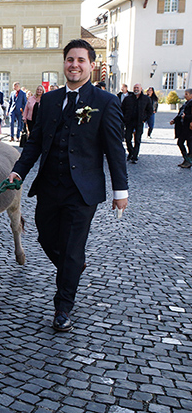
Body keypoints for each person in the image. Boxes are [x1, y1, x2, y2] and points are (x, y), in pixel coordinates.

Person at [8, 39, 128, 332]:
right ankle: (72, 268)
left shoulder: (105, 102)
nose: (74, 65)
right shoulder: (49, 100)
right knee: (47, 239)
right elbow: (35, 141)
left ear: (91, 65)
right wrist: (18, 171)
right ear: (64, 63)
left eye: (80, 60)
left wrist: (120, 191)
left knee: (73, 249)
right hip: (49, 186)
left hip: (83, 191)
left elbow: (115, 149)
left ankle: (63, 307)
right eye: (70, 59)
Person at [121, 83, 153, 163]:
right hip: (129, 122)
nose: (136, 89)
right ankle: (131, 152)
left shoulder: (146, 99)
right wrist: (124, 119)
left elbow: (150, 110)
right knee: (127, 138)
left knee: (137, 140)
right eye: (135, 87)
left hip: (139, 122)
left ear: (141, 88)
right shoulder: (128, 98)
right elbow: (122, 109)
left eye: (137, 88)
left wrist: (144, 119)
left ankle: (134, 157)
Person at [170, 89, 192, 168]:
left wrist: (185, 117)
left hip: (189, 128)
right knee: (180, 142)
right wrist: (174, 120)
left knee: (189, 144)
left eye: (186, 94)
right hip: (183, 127)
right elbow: (180, 114)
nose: (185, 95)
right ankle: (186, 159)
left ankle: (189, 161)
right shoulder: (185, 104)